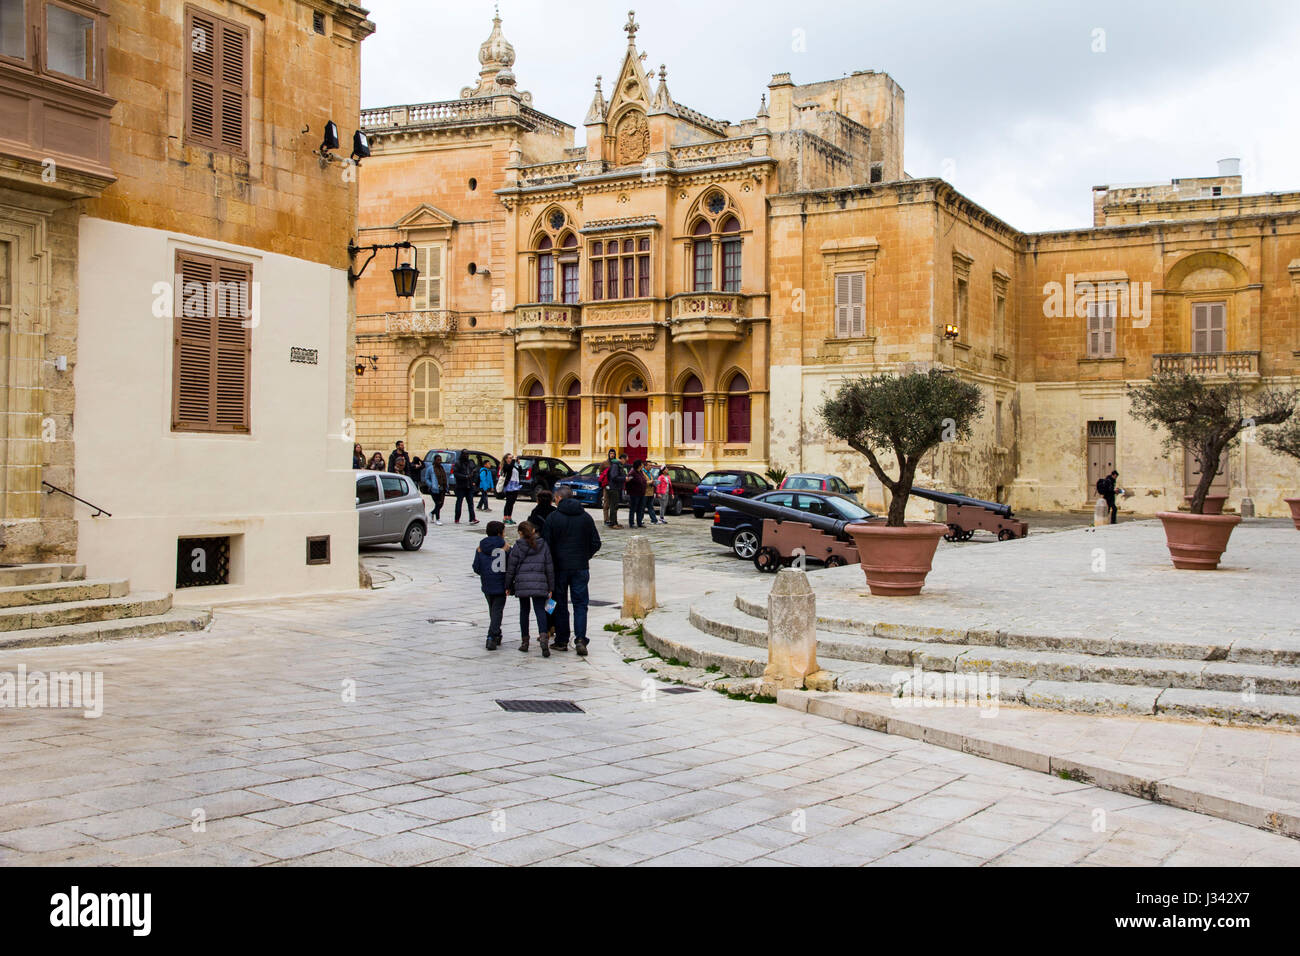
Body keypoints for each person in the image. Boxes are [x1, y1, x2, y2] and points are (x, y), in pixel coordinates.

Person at [541, 485, 601, 656]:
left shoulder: (553, 518)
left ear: (559, 498)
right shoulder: (586, 517)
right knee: (581, 604)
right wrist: (584, 556)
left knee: (559, 604)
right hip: (580, 567)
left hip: (559, 568)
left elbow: (546, 545)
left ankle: (561, 640)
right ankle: (581, 639)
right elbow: (596, 543)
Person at [505, 520, 555, 657]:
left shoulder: (517, 546)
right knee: (540, 611)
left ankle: (525, 642)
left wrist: (508, 585)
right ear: (533, 531)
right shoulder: (543, 544)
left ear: (520, 533)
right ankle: (544, 638)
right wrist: (551, 586)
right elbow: (549, 567)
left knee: (524, 611)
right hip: (540, 583)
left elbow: (511, 568)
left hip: (522, 584)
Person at [472, 520, 509, 650]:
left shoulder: (481, 547)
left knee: (493, 610)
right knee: (497, 611)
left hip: (487, 584)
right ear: (500, 533)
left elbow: (476, 568)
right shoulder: (505, 547)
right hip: (501, 584)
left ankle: (497, 633)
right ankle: (491, 637)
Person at [453, 449, 479, 524]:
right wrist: (465, 476)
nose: (466, 455)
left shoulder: (470, 462)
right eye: (465, 454)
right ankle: (457, 518)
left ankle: (472, 518)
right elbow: (456, 474)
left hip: (469, 486)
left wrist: (474, 481)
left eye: (467, 454)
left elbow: (475, 471)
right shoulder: (458, 463)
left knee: (471, 503)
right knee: (459, 502)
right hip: (461, 486)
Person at [606, 452, 628, 529]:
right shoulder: (616, 465)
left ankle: (615, 522)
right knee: (613, 506)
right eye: (625, 460)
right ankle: (613, 523)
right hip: (613, 488)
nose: (626, 461)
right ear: (622, 459)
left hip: (617, 488)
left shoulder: (619, 465)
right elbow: (614, 476)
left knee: (615, 506)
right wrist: (624, 478)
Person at [424, 454, 447, 525]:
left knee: (441, 504)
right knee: (438, 503)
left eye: (440, 460)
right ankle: (438, 519)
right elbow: (426, 478)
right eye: (438, 460)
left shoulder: (442, 468)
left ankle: (432, 513)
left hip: (442, 488)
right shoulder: (430, 468)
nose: (439, 461)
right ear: (435, 460)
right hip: (434, 489)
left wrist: (446, 486)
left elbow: (445, 478)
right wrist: (431, 485)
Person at [500, 453, 523, 525]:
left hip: (515, 485)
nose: (511, 459)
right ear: (506, 459)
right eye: (510, 458)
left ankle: (509, 517)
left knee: (512, 502)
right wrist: (513, 461)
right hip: (509, 485)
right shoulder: (506, 465)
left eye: (512, 458)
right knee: (508, 502)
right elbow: (508, 469)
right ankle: (505, 518)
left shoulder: (514, 466)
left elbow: (520, 472)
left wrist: (519, 464)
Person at [627, 460, 648, 528]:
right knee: (633, 508)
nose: (643, 465)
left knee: (640, 508)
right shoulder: (632, 472)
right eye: (642, 464)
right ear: (639, 465)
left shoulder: (641, 472)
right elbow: (628, 483)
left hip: (641, 493)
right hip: (634, 493)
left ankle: (639, 522)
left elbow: (643, 480)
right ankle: (631, 523)